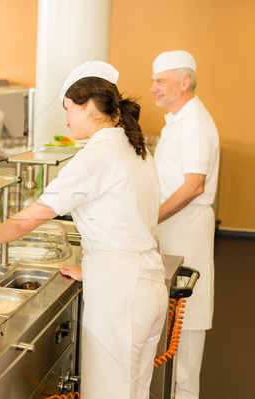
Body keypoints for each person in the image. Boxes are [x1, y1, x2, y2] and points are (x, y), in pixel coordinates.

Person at [0, 61, 168, 399]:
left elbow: (34, 216)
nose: (66, 119)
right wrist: (94, 269)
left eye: (68, 109)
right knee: (135, 391)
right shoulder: (137, 148)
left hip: (121, 296)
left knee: (109, 393)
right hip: (142, 284)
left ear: (87, 104)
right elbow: (131, 222)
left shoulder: (97, 156)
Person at [150, 50, 219, 399]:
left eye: (160, 81)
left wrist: (151, 217)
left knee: (186, 325)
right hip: (171, 230)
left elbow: (194, 186)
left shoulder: (194, 123)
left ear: (184, 81)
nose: (153, 89)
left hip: (186, 229)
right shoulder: (177, 120)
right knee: (173, 319)